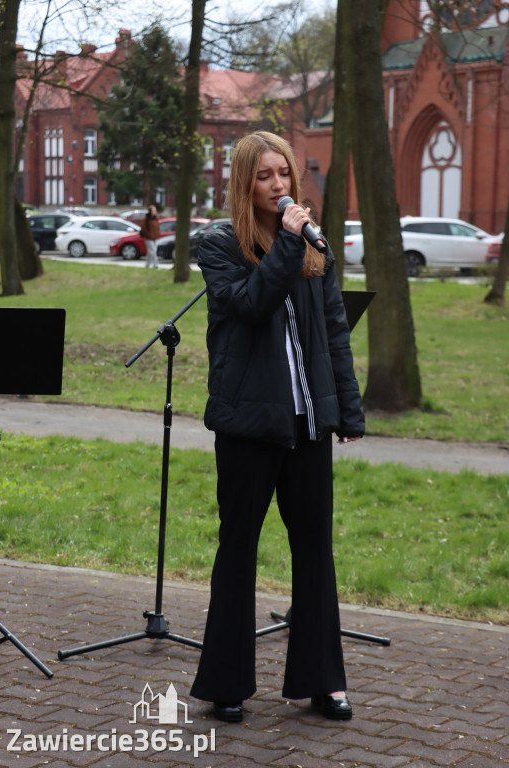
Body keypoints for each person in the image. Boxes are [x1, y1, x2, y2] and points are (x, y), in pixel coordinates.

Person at [190, 131, 364, 724]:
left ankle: (322, 680)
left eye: (284, 173)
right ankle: (227, 684)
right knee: (238, 548)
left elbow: (336, 333)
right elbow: (251, 304)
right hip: (248, 425)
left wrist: (347, 409)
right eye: (265, 176)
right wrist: (288, 245)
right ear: (245, 182)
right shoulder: (219, 246)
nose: (279, 185)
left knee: (315, 548)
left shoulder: (315, 249)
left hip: (308, 423)